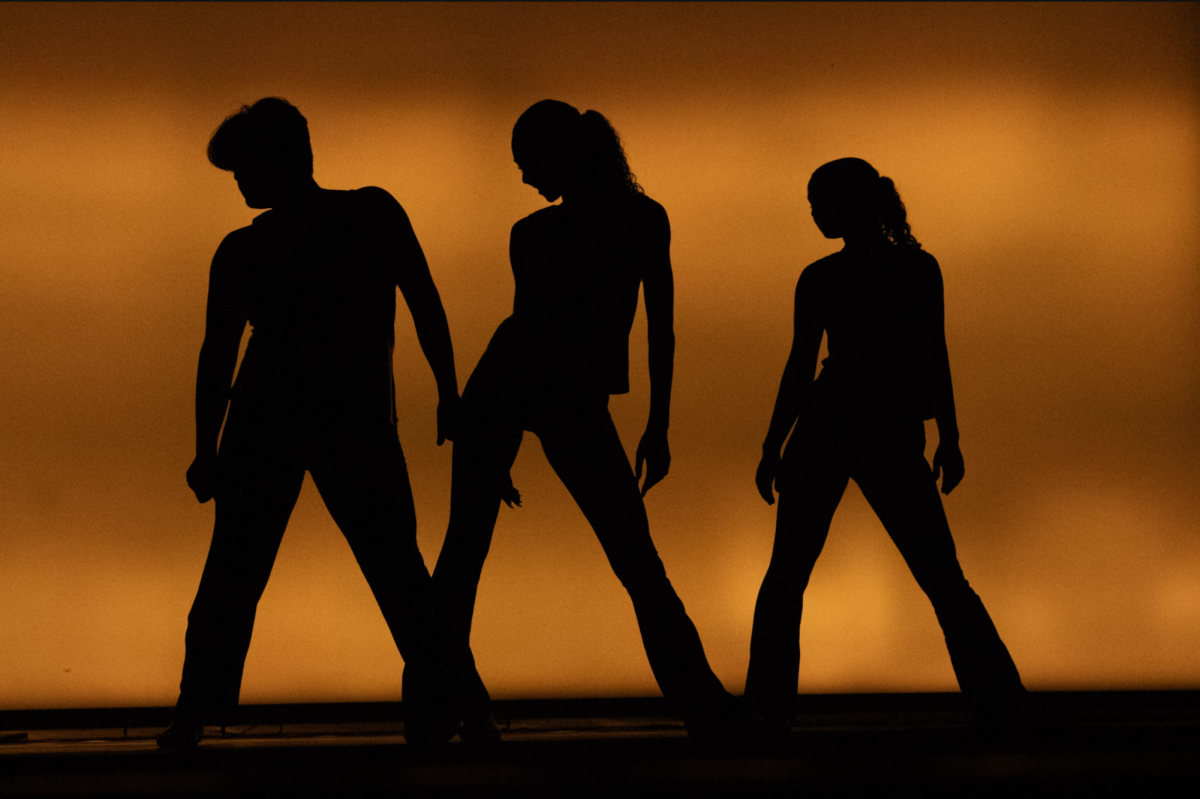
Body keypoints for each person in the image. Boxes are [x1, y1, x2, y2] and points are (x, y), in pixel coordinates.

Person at [157, 97, 486, 749]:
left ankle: (192, 716)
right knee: (395, 571)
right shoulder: (370, 215)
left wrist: (206, 446)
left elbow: (218, 355)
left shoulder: (254, 247)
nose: (241, 183)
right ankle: (467, 711)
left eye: (245, 167)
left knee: (239, 572)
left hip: (280, 418)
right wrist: (448, 394)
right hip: (342, 417)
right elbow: (425, 305)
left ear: (279, 160)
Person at [424, 100, 744, 737]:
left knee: (467, 552)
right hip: (543, 389)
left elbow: (543, 331)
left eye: (526, 164)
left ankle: (435, 709)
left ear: (557, 157)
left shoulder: (545, 233)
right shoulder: (637, 221)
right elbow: (658, 330)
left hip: (522, 386)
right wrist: (657, 423)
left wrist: (656, 424)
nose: (522, 179)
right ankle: (706, 709)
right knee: (631, 557)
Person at [745, 158, 1026, 728]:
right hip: (883, 426)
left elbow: (804, 368)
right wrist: (948, 435)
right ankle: (1002, 705)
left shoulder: (825, 277)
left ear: (849, 206)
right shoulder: (915, 269)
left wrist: (775, 445)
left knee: (789, 576)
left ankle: (766, 714)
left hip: (840, 424)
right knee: (940, 575)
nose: (815, 213)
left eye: (820, 202)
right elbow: (929, 355)